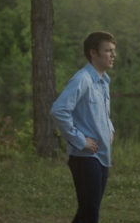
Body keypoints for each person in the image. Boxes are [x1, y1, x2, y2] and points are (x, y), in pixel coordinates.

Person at [51, 31, 116, 223]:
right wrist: (80, 140)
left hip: (102, 155)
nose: (113, 55)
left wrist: (110, 129)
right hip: (85, 157)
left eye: (113, 51)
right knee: (89, 211)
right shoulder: (83, 79)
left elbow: (103, 114)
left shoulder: (103, 82)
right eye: (108, 51)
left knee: (88, 210)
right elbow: (59, 110)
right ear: (93, 53)